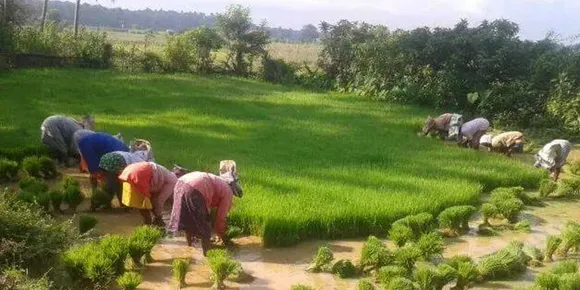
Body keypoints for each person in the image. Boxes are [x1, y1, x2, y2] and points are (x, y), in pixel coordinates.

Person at [168, 162, 243, 255]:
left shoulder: (217, 181)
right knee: (205, 228)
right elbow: (220, 218)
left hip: (181, 183)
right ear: (233, 189)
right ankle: (207, 253)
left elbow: (209, 208)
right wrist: (223, 236)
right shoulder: (228, 191)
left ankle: (189, 247)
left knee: (187, 219)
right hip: (196, 187)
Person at [118, 161, 178, 227]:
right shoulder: (173, 181)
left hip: (129, 170)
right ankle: (151, 223)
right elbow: (159, 201)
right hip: (140, 173)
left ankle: (148, 223)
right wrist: (158, 216)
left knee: (139, 202)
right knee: (144, 201)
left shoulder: (167, 176)